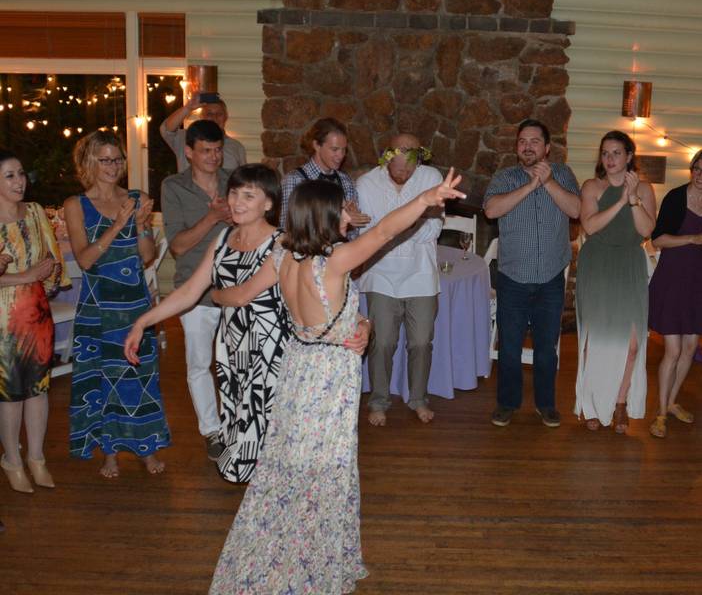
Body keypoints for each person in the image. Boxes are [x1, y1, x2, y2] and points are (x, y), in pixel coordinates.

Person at [207, 169, 466, 593]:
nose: (350, 214)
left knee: (290, 463)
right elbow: (384, 230)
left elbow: (236, 295)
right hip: (329, 377)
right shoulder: (335, 260)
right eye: (342, 209)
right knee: (327, 467)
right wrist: (426, 199)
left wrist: (212, 295)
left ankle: (293, 547)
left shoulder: (280, 258)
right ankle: (310, 563)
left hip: (296, 369)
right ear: (326, 215)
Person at [127, 165, 285, 483]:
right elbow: (189, 291)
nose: (237, 202)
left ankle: (273, 487)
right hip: (231, 347)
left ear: (268, 203)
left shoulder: (282, 243)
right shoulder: (224, 238)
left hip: (270, 350)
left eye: (249, 195)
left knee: (268, 425)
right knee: (238, 418)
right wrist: (143, 321)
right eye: (234, 193)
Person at [63, 131, 168, 477]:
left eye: (118, 159)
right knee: (105, 379)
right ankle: (109, 453)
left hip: (135, 303)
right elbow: (86, 261)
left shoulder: (138, 198)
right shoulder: (76, 205)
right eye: (105, 159)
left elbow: (148, 258)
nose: (114, 166)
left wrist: (139, 226)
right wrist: (119, 223)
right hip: (98, 307)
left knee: (141, 375)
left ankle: (146, 447)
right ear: (88, 163)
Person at [484, 119, 580, 428]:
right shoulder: (505, 177)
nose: (528, 146)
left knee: (546, 349)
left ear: (547, 147)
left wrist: (548, 182)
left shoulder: (563, 174)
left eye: (535, 141)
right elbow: (491, 210)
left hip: (550, 278)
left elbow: (576, 210)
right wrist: (529, 187)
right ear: (516, 147)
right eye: (522, 141)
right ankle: (507, 403)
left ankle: (546, 404)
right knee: (509, 348)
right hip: (513, 279)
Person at [357, 133, 443, 426]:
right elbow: (367, 233)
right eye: (398, 162)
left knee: (420, 341)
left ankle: (418, 398)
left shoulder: (431, 177)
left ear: (419, 160)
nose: (404, 170)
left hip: (421, 274)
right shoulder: (367, 184)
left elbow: (433, 229)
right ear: (386, 156)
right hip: (380, 272)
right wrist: (406, 227)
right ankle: (379, 400)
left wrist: (391, 229)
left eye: (411, 164)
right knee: (382, 341)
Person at [161, 119, 233, 462]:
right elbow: (177, 246)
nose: (213, 157)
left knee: (235, 363)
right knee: (199, 365)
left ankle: (237, 425)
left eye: (218, 150)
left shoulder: (235, 181)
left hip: (236, 287)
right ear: (188, 152)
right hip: (194, 291)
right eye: (206, 151)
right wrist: (214, 217)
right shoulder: (173, 187)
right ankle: (212, 431)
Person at [574, 130, 655, 434]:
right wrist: (620, 200)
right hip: (597, 264)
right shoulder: (592, 186)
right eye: (605, 153)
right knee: (593, 341)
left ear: (629, 156)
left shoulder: (644, 189)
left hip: (629, 266)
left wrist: (632, 199)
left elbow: (646, 229)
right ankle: (590, 406)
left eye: (616, 153)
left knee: (632, 343)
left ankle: (621, 402)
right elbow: (591, 226)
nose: (609, 159)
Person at [0, 150, 69, 493]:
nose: (19, 181)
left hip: (37, 312)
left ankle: (37, 458)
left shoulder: (37, 211)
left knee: (38, 389)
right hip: (4, 317)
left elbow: (52, 256)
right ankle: (12, 459)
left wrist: (51, 273)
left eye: (21, 173)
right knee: (11, 392)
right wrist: (25, 275)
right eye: (10, 175)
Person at [647, 149, 702, 438]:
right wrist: (693, 238)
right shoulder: (675, 198)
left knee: (691, 349)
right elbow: (657, 239)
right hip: (673, 275)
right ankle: (660, 414)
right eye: (698, 170)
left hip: (697, 276)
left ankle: (669, 403)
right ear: (691, 170)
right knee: (674, 349)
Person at [279, 117, 370, 238]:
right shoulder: (295, 180)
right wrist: (341, 219)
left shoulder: (345, 181)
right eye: (335, 149)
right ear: (316, 145)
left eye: (344, 150)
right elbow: (287, 228)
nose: (341, 155)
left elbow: (352, 235)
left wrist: (352, 223)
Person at [161, 92, 247, 173]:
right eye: (209, 114)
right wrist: (188, 107)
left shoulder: (236, 147)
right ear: (202, 117)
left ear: (226, 117)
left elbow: (243, 180)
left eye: (219, 114)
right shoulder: (185, 139)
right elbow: (166, 129)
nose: (214, 117)